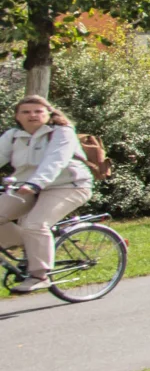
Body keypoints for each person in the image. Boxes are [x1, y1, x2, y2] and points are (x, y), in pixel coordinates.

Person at [0, 95, 95, 294]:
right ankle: (30, 244)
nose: (32, 115)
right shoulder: (13, 136)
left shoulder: (62, 132)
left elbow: (55, 160)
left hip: (68, 186)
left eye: (38, 111)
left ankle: (40, 275)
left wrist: (36, 183)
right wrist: (30, 185)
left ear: (48, 114)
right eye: (26, 112)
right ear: (17, 116)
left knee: (35, 224)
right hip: (26, 186)